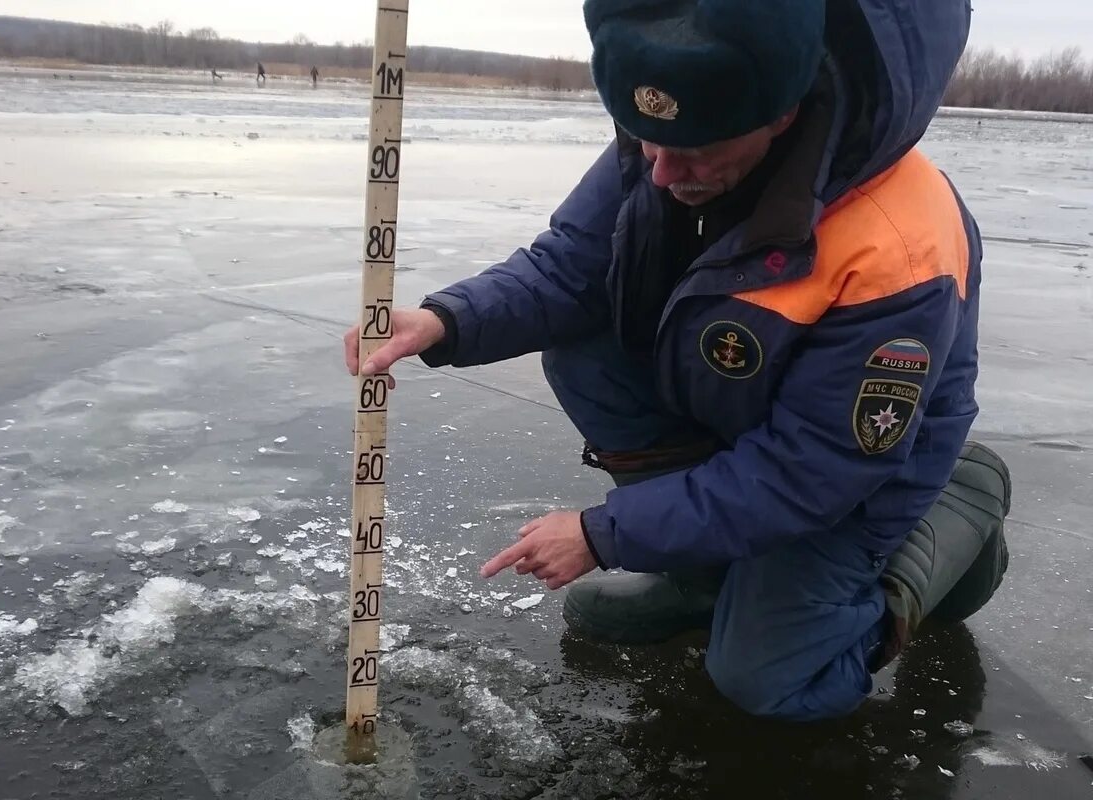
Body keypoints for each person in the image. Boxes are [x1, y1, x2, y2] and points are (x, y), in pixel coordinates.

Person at [343, 0, 1011, 721]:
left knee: (767, 679)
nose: (659, 175)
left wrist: (607, 534)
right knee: (584, 348)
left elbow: (811, 471)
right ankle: (709, 578)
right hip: (754, 401)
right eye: (643, 145)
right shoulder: (676, 128)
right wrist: (446, 321)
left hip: (857, 468)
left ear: (781, 115)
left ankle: (957, 509)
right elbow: (570, 268)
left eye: (691, 155)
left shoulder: (899, 247)